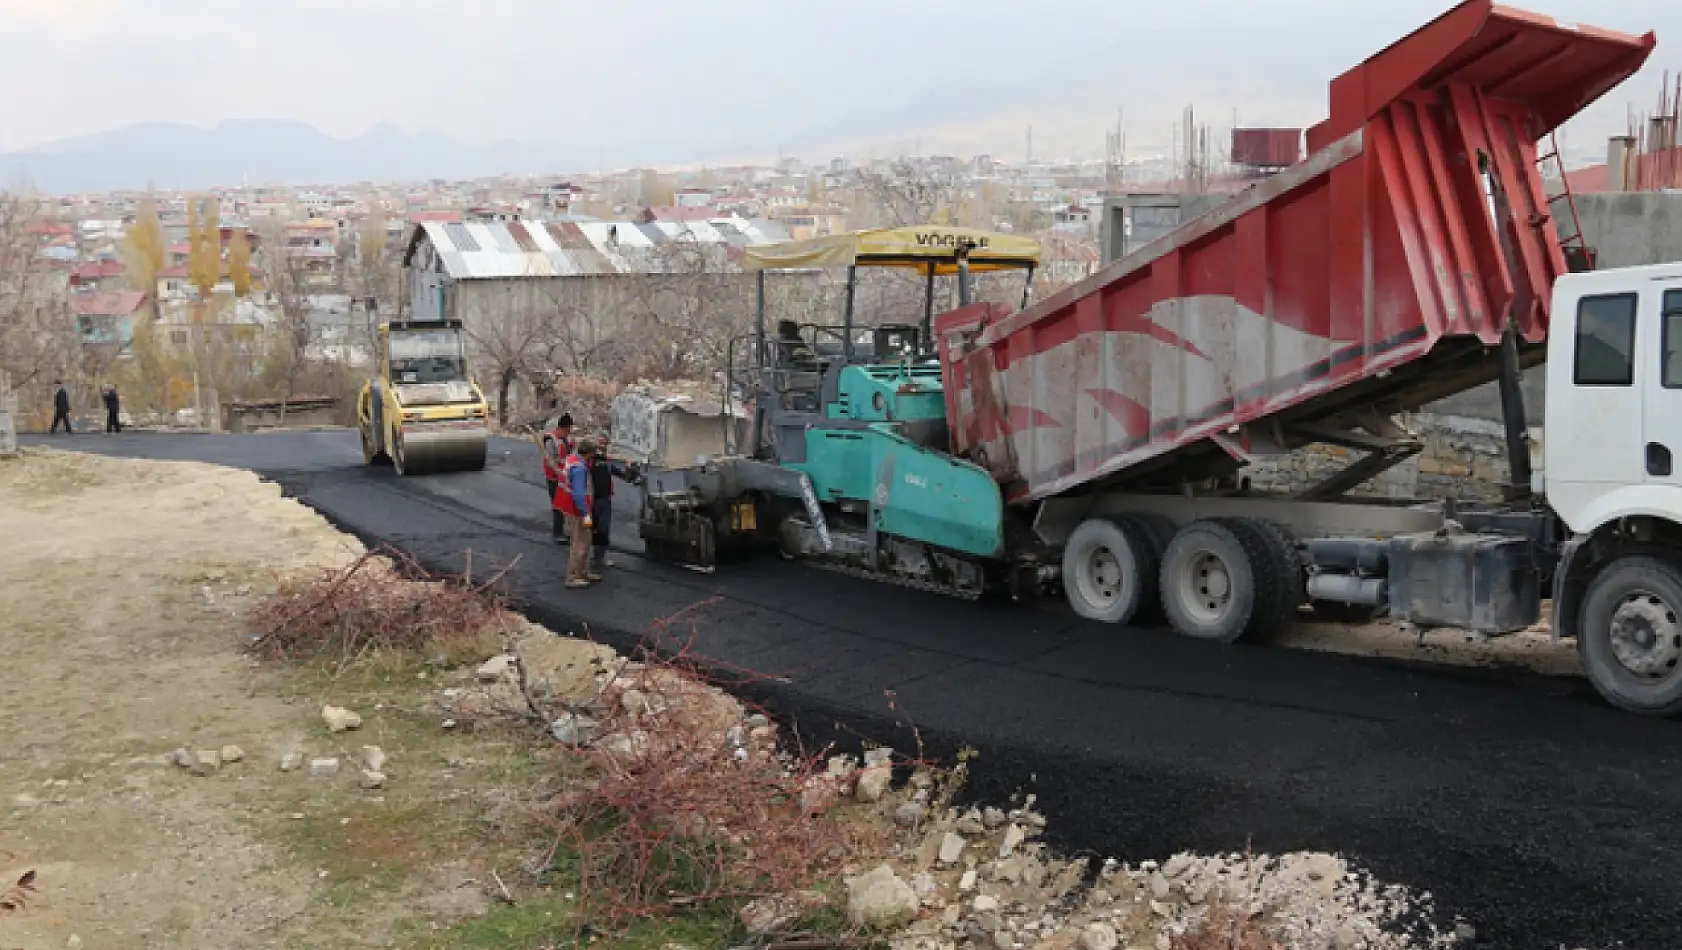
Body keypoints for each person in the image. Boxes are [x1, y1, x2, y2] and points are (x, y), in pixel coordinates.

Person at [557, 437, 600, 588]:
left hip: (577, 509)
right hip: (578, 511)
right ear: (588, 454)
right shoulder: (579, 469)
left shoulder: (572, 459)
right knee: (579, 542)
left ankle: (584, 571)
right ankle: (573, 576)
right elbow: (578, 494)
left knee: (587, 539)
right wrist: (586, 513)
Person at [541, 413, 575, 544]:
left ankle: (563, 530)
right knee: (558, 505)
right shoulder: (551, 440)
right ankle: (557, 533)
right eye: (567, 430)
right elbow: (550, 460)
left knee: (565, 505)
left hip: (564, 477)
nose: (569, 433)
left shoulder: (566, 439)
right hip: (554, 478)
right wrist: (559, 470)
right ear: (562, 428)